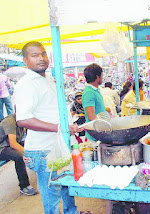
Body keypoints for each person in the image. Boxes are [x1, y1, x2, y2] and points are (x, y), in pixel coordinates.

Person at [15, 41, 83, 214]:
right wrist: (59, 127)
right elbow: (23, 119)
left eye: (43, 54)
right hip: (42, 150)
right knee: (52, 197)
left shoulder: (46, 80)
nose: (41, 58)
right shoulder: (27, 83)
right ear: (25, 60)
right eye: (35, 55)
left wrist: (67, 127)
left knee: (66, 188)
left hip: (57, 146)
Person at [0, 114, 37, 196]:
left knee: (32, 146)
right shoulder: (9, 122)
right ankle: (24, 186)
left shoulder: (23, 120)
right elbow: (13, 144)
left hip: (9, 145)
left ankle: (38, 168)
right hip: (2, 148)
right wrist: (27, 152)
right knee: (19, 156)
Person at [82, 63, 106, 141]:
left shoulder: (94, 90)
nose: (102, 78)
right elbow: (91, 116)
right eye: (101, 75)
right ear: (97, 77)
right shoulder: (89, 92)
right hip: (94, 137)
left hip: (100, 133)